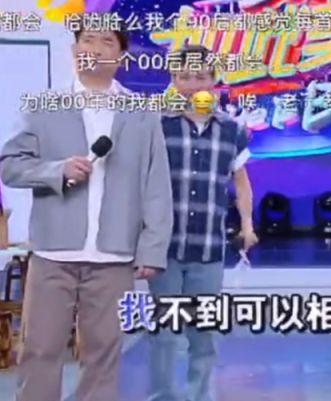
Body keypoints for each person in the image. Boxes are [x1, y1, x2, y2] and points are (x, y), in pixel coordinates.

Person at [0, 27, 172, 401]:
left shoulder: (142, 113)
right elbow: (10, 165)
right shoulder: (44, 105)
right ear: (74, 50)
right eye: (88, 40)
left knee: (105, 354)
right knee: (40, 349)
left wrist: (153, 248)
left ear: (121, 57)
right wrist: (56, 171)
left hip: (115, 255)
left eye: (107, 42)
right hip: (53, 253)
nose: (95, 48)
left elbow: (157, 185)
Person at [148, 44, 258, 401]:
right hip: (163, 247)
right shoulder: (156, 125)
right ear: (173, 80)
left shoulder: (231, 130)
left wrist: (247, 224)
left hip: (209, 246)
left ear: (213, 80)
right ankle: (163, 396)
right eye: (184, 77)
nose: (192, 85)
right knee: (164, 332)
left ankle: (200, 396)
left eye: (199, 77)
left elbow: (241, 181)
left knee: (204, 333)